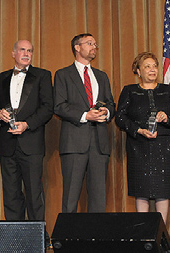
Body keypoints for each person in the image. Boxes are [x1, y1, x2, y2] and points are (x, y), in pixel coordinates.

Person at [115, 52, 170, 224]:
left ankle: (161, 236)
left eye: (154, 66)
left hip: (162, 147)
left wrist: (166, 117)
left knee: (162, 192)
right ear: (138, 71)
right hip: (138, 147)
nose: (152, 70)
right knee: (141, 191)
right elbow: (120, 118)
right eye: (147, 66)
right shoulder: (129, 91)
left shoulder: (167, 91)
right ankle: (144, 234)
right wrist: (138, 130)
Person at [0, 40, 53, 220]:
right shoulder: (0, 78)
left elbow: (48, 108)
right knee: (11, 194)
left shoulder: (43, 75)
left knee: (34, 193)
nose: (26, 54)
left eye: (30, 50)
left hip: (31, 143)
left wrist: (27, 124)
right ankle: (14, 237)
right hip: (8, 144)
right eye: (22, 50)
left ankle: (38, 236)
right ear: (13, 53)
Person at [54, 33, 115, 213]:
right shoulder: (63, 75)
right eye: (89, 43)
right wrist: (85, 115)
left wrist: (107, 111)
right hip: (74, 142)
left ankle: (96, 239)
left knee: (98, 198)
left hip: (99, 143)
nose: (94, 47)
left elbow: (110, 103)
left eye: (95, 44)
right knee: (71, 197)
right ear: (77, 47)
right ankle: (68, 239)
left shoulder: (101, 76)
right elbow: (59, 106)